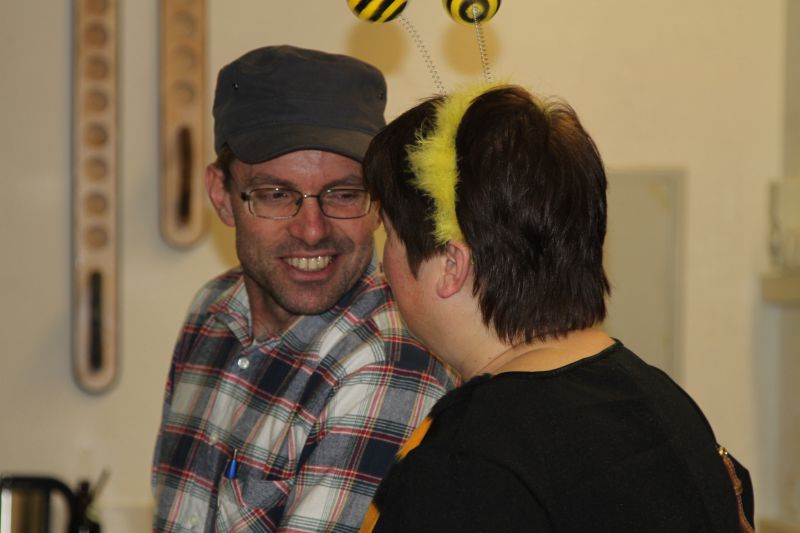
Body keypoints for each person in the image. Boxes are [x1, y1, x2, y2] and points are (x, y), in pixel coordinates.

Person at [358, 82, 755, 532]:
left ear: (451, 265)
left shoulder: (467, 466)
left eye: (390, 234)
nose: (384, 261)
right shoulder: (665, 402)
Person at [151, 45, 457, 533]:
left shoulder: (387, 360)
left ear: (379, 203)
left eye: (344, 193)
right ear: (221, 196)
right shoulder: (211, 311)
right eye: (276, 194)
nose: (312, 230)